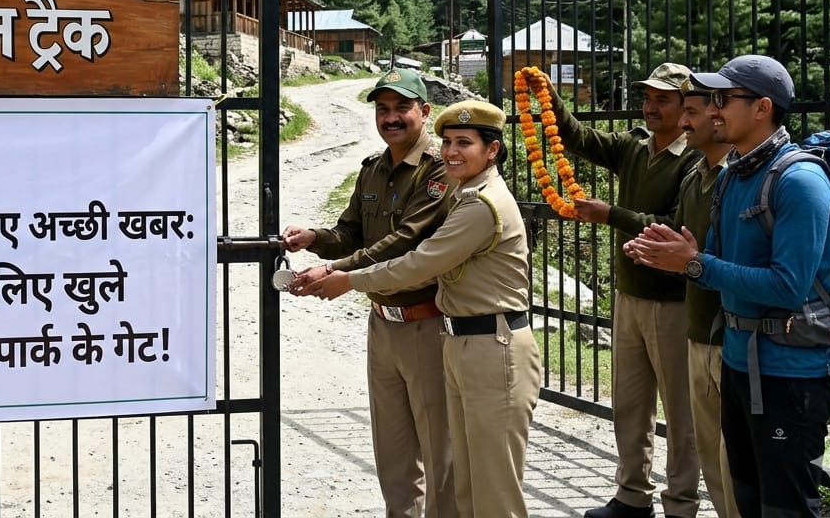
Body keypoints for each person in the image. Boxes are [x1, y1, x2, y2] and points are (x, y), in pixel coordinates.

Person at [301, 99, 540, 518]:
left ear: (492, 150)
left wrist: (347, 279)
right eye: (448, 142)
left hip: (492, 345)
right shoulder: (463, 194)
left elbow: (419, 262)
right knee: (468, 488)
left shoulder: (481, 205)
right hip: (464, 341)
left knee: (494, 493)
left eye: (464, 143)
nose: (451, 151)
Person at [625, 55, 830, 517]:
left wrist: (695, 265)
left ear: (762, 108)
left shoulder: (799, 180)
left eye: (723, 99)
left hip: (789, 374)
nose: (712, 110)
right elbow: (715, 263)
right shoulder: (733, 176)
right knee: (746, 501)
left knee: (785, 507)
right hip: (738, 363)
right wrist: (676, 257)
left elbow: (789, 287)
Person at [282, 68, 456, 518]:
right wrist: (315, 238)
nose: (391, 118)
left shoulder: (439, 170)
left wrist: (335, 271)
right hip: (383, 324)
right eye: (383, 109)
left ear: (424, 111)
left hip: (428, 323)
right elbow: (351, 232)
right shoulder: (373, 169)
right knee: (394, 452)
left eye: (402, 108)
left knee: (440, 450)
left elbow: (405, 241)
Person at [530, 64, 701, 518]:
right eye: (647, 97)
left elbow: (674, 227)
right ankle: (632, 497)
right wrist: (549, 96)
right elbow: (577, 138)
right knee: (630, 404)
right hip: (629, 296)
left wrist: (611, 215)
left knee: (680, 412)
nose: (650, 107)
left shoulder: (695, 159)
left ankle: (681, 504)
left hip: (673, 302)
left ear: (687, 105)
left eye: (663, 99)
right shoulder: (635, 146)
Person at [668, 82, 739, 518]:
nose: (683, 122)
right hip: (697, 332)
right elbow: (682, 242)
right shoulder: (696, 174)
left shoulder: (739, 177)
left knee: (736, 463)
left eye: (691, 112)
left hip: (731, 336)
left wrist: (692, 262)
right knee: (711, 455)